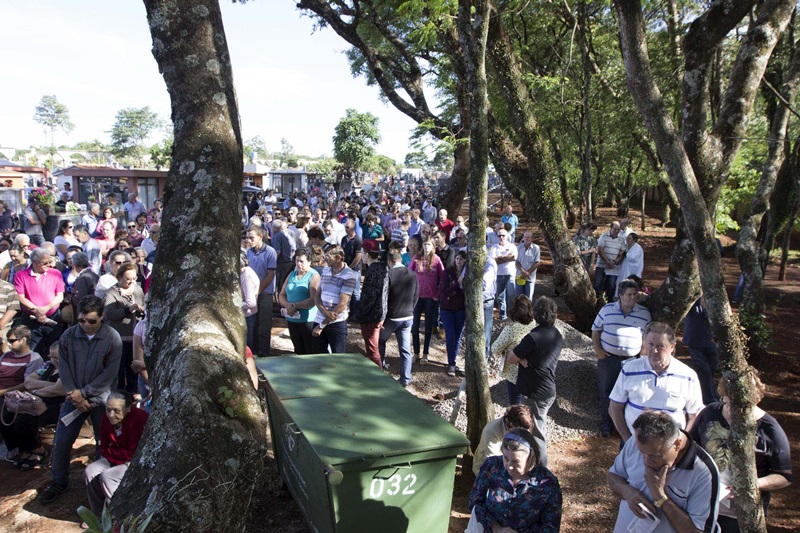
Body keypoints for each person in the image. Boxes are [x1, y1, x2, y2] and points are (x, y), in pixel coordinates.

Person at [40, 295, 122, 504]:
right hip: (73, 397)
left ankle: (97, 487)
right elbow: (64, 369)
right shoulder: (68, 336)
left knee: (102, 443)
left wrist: (84, 394)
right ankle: (58, 481)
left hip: (102, 399)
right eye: (81, 320)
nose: (86, 325)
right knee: (62, 441)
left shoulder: (113, 338)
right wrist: (73, 394)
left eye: (91, 321)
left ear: (102, 317)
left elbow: (109, 374)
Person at [690, 370, 792, 532]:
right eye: (727, 403)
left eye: (740, 406)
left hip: (739, 514)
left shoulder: (769, 428)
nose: (731, 410)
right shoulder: (710, 413)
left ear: (756, 401)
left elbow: (784, 476)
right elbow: (690, 448)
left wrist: (751, 485)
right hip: (702, 505)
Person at [608, 410, 719, 533]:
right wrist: (627, 492)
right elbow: (613, 476)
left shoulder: (704, 473)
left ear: (677, 444)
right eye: (642, 453)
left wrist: (661, 498)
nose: (646, 461)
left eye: (655, 455)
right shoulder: (637, 441)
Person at [609, 322, 704, 442]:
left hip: (670, 448)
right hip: (633, 442)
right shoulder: (629, 369)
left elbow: (695, 415)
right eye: (650, 344)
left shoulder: (688, 375)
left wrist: (682, 442)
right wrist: (628, 440)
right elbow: (614, 407)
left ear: (672, 347)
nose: (654, 350)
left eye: (660, 346)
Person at [469, 428, 562, 532]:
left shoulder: (547, 483)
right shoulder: (491, 466)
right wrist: (496, 528)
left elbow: (551, 527)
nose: (509, 466)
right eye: (505, 458)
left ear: (530, 457)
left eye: (515, 462)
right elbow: (475, 503)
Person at [507, 297, 562, 468]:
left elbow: (511, 358)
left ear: (536, 315)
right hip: (548, 389)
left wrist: (521, 356)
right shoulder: (557, 335)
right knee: (536, 428)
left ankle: (541, 469)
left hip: (536, 392)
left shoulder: (533, 338)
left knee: (538, 433)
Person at [592, 279, 652, 438]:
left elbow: (647, 336)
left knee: (630, 393)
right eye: (629, 295)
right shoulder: (607, 310)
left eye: (635, 295)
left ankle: (625, 424)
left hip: (632, 361)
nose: (632, 298)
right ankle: (607, 422)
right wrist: (598, 350)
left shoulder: (644, 313)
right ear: (620, 295)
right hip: (609, 359)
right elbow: (595, 330)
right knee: (606, 391)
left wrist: (643, 354)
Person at [83, 390, 148, 517]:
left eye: (116, 411)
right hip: (120, 458)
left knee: (108, 476)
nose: (111, 415)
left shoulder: (137, 419)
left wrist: (114, 452)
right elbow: (103, 447)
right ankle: (99, 515)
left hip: (138, 459)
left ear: (128, 409)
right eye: (108, 409)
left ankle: (118, 517)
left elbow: (134, 453)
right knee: (90, 471)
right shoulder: (106, 418)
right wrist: (118, 456)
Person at [11, 342, 65, 469]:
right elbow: (28, 382)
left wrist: (37, 388)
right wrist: (49, 385)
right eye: (51, 356)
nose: (53, 360)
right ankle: (23, 449)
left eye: (57, 357)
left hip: (56, 405)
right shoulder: (47, 365)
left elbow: (59, 390)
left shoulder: (68, 368)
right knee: (8, 415)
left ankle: (36, 449)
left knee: (24, 420)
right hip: (36, 401)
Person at [0, 325, 44, 464]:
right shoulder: (5, 356)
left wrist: (3, 392)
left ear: (24, 340)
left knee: (4, 414)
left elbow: (27, 384)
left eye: (12, 340)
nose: (8, 343)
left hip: (17, 396)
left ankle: (16, 448)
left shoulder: (34, 358)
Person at [103, 262, 145, 396]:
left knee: (133, 367)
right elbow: (109, 314)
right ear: (120, 277)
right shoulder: (112, 292)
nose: (131, 281)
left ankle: (134, 394)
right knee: (119, 370)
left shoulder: (138, 290)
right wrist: (127, 310)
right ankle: (119, 395)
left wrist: (140, 310)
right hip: (119, 337)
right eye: (128, 279)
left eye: (134, 278)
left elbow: (142, 308)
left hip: (135, 337)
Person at [14, 248, 65, 356]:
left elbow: (60, 296)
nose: (48, 265)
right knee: (33, 352)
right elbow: (20, 297)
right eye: (45, 263)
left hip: (53, 318)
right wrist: (37, 311)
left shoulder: (55, 273)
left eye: (49, 261)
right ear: (35, 262)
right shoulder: (21, 275)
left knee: (56, 351)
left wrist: (45, 308)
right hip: (31, 319)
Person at [379, 248, 418, 386]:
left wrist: (382, 318)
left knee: (380, 341)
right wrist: (410, 310)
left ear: (389, 261)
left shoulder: (389, 274)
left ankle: (380, 370)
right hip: (407, 316)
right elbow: (416, 296)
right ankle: (405, 379)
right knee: (405, 349)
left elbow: (384, 298)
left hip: (392, 317)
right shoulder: (413, 274)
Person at [311, 245, 357, 354]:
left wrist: (322, 325)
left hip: (337, 323)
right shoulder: (325, 270)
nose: (324, 258)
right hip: (319, 319)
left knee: (338, 358)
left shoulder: (350, 275)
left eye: (328, 256)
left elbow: (342, 304)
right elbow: (317, 296)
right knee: (318, 357)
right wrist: (325, 313)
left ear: (338, 257)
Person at [350, 240, 388, 367]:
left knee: (372, 351)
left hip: (371, 317)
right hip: (379, 315)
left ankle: (378, 377)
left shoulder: (373, 271)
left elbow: (369, 297)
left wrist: (358, 315)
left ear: (367, 254)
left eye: (363, 253)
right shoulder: (383, 268)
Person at [277, 247, 320, 355]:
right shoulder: (292, 274)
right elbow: (282, 294)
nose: (299, 264)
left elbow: (313, 299)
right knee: (298, 349)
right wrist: (287, 305)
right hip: (292, 318)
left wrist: (295, 306)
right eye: (297, 261)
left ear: (309, 261)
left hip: (308, 320)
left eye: (302, 261)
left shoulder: (313, 275)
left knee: (309, 350)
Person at [491, 294, 536, 396]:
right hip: (531, 368)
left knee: (516, 404)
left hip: (514, 373)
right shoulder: (533, 323)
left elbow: (495, 348)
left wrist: (506, 352)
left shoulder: (511, 330)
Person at [472, 405, 535, 476]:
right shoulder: (491, 431)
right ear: (509, 423)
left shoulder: (523, 428)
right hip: (489, 469)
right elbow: (494, 463)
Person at [410, 237, 444, 364]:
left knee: (429, 325)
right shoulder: (416, 259)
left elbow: (443, 277)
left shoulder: (437, 260)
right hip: (417, 296)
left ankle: (425, 354)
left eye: (429, 244)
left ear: (433, 246)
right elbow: (409, 274)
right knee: (415, 326)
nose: (426, 246)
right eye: (424, 244)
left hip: (431, 297)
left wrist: (438, 293)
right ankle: (416, 353)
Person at [245, 226, 277, 357]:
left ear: (260, 237)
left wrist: (257, 291)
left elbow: (270, 275)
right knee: (252, 324)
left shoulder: (270, 252)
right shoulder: (249, 252)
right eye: (247, 237)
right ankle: (253, 352)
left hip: (265, 294)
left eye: (251, 237)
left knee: (264, 325)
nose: (249, 240)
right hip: (251, 293)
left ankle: (264, 353)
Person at [682, 296, 719, 405]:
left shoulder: (714, 296)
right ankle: (711, 400)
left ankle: (704, 396)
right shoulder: (692, 298)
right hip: (695, 342)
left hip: (712, 342)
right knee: (704, 372)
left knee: (710, 373)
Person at [439, 251, 467, 376]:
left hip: (460, 308)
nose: (459, 261)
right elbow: (445, 291)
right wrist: (458, 283)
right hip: (447, 308)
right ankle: (451, 363)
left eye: (461, 259)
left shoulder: (467, 273)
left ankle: (453, 361)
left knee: (457, 337)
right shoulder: (448, 272)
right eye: (457, 258)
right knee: (450, 336)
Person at [489, 228, 517, 320]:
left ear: (507, 236)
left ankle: (511, 315)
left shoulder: (512, 246)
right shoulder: (494, 247)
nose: (501, 237)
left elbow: (513, 257)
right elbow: (493, 261)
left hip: (510, 274)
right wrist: (506, 258)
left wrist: (500, 258)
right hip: (498, 275)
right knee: (500, 297)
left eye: (503, 235)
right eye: (499, 235)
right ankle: (503, 315)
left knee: (511, 295)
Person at [595, 221, 626, 301]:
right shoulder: (604, 236)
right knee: (598, 283)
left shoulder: (621, 239)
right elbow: (600, 250)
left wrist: (614, 262)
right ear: (610, 228)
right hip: (602, 264)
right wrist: (607, 261)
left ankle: (609, 302)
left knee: (611, 285)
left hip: (614, 266)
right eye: (614, 229)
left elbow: (622, 253)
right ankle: (597, 300)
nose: (616, 231)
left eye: (618, 229)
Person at [240, 249, 260, 355]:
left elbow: (251, 303)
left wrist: (234, 304)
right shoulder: (244, 273)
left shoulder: (247, 275)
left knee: (249, 348)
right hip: (247, 316)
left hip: (248, 316)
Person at [616, 233, 644, 298]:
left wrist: (624, 253)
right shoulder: (627, 246)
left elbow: (633, 258)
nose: (627, 240)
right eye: (627, 238)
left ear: (634, 240)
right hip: (625, 268)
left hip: (633, 270)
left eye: (629, 238)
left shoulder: (637, 247)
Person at [515, 230, 541, 300]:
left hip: (530, 278)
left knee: (528, 299)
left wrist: (528, 272)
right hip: (519, 276)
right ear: (523, 238)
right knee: (519, 299)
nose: (526, 239)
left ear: (532, 238)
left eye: (528, 237)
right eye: (525, 237)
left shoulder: (536, 248)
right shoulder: (518, 247)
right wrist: (523, 271)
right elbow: (516, 261)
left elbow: (537, 262)